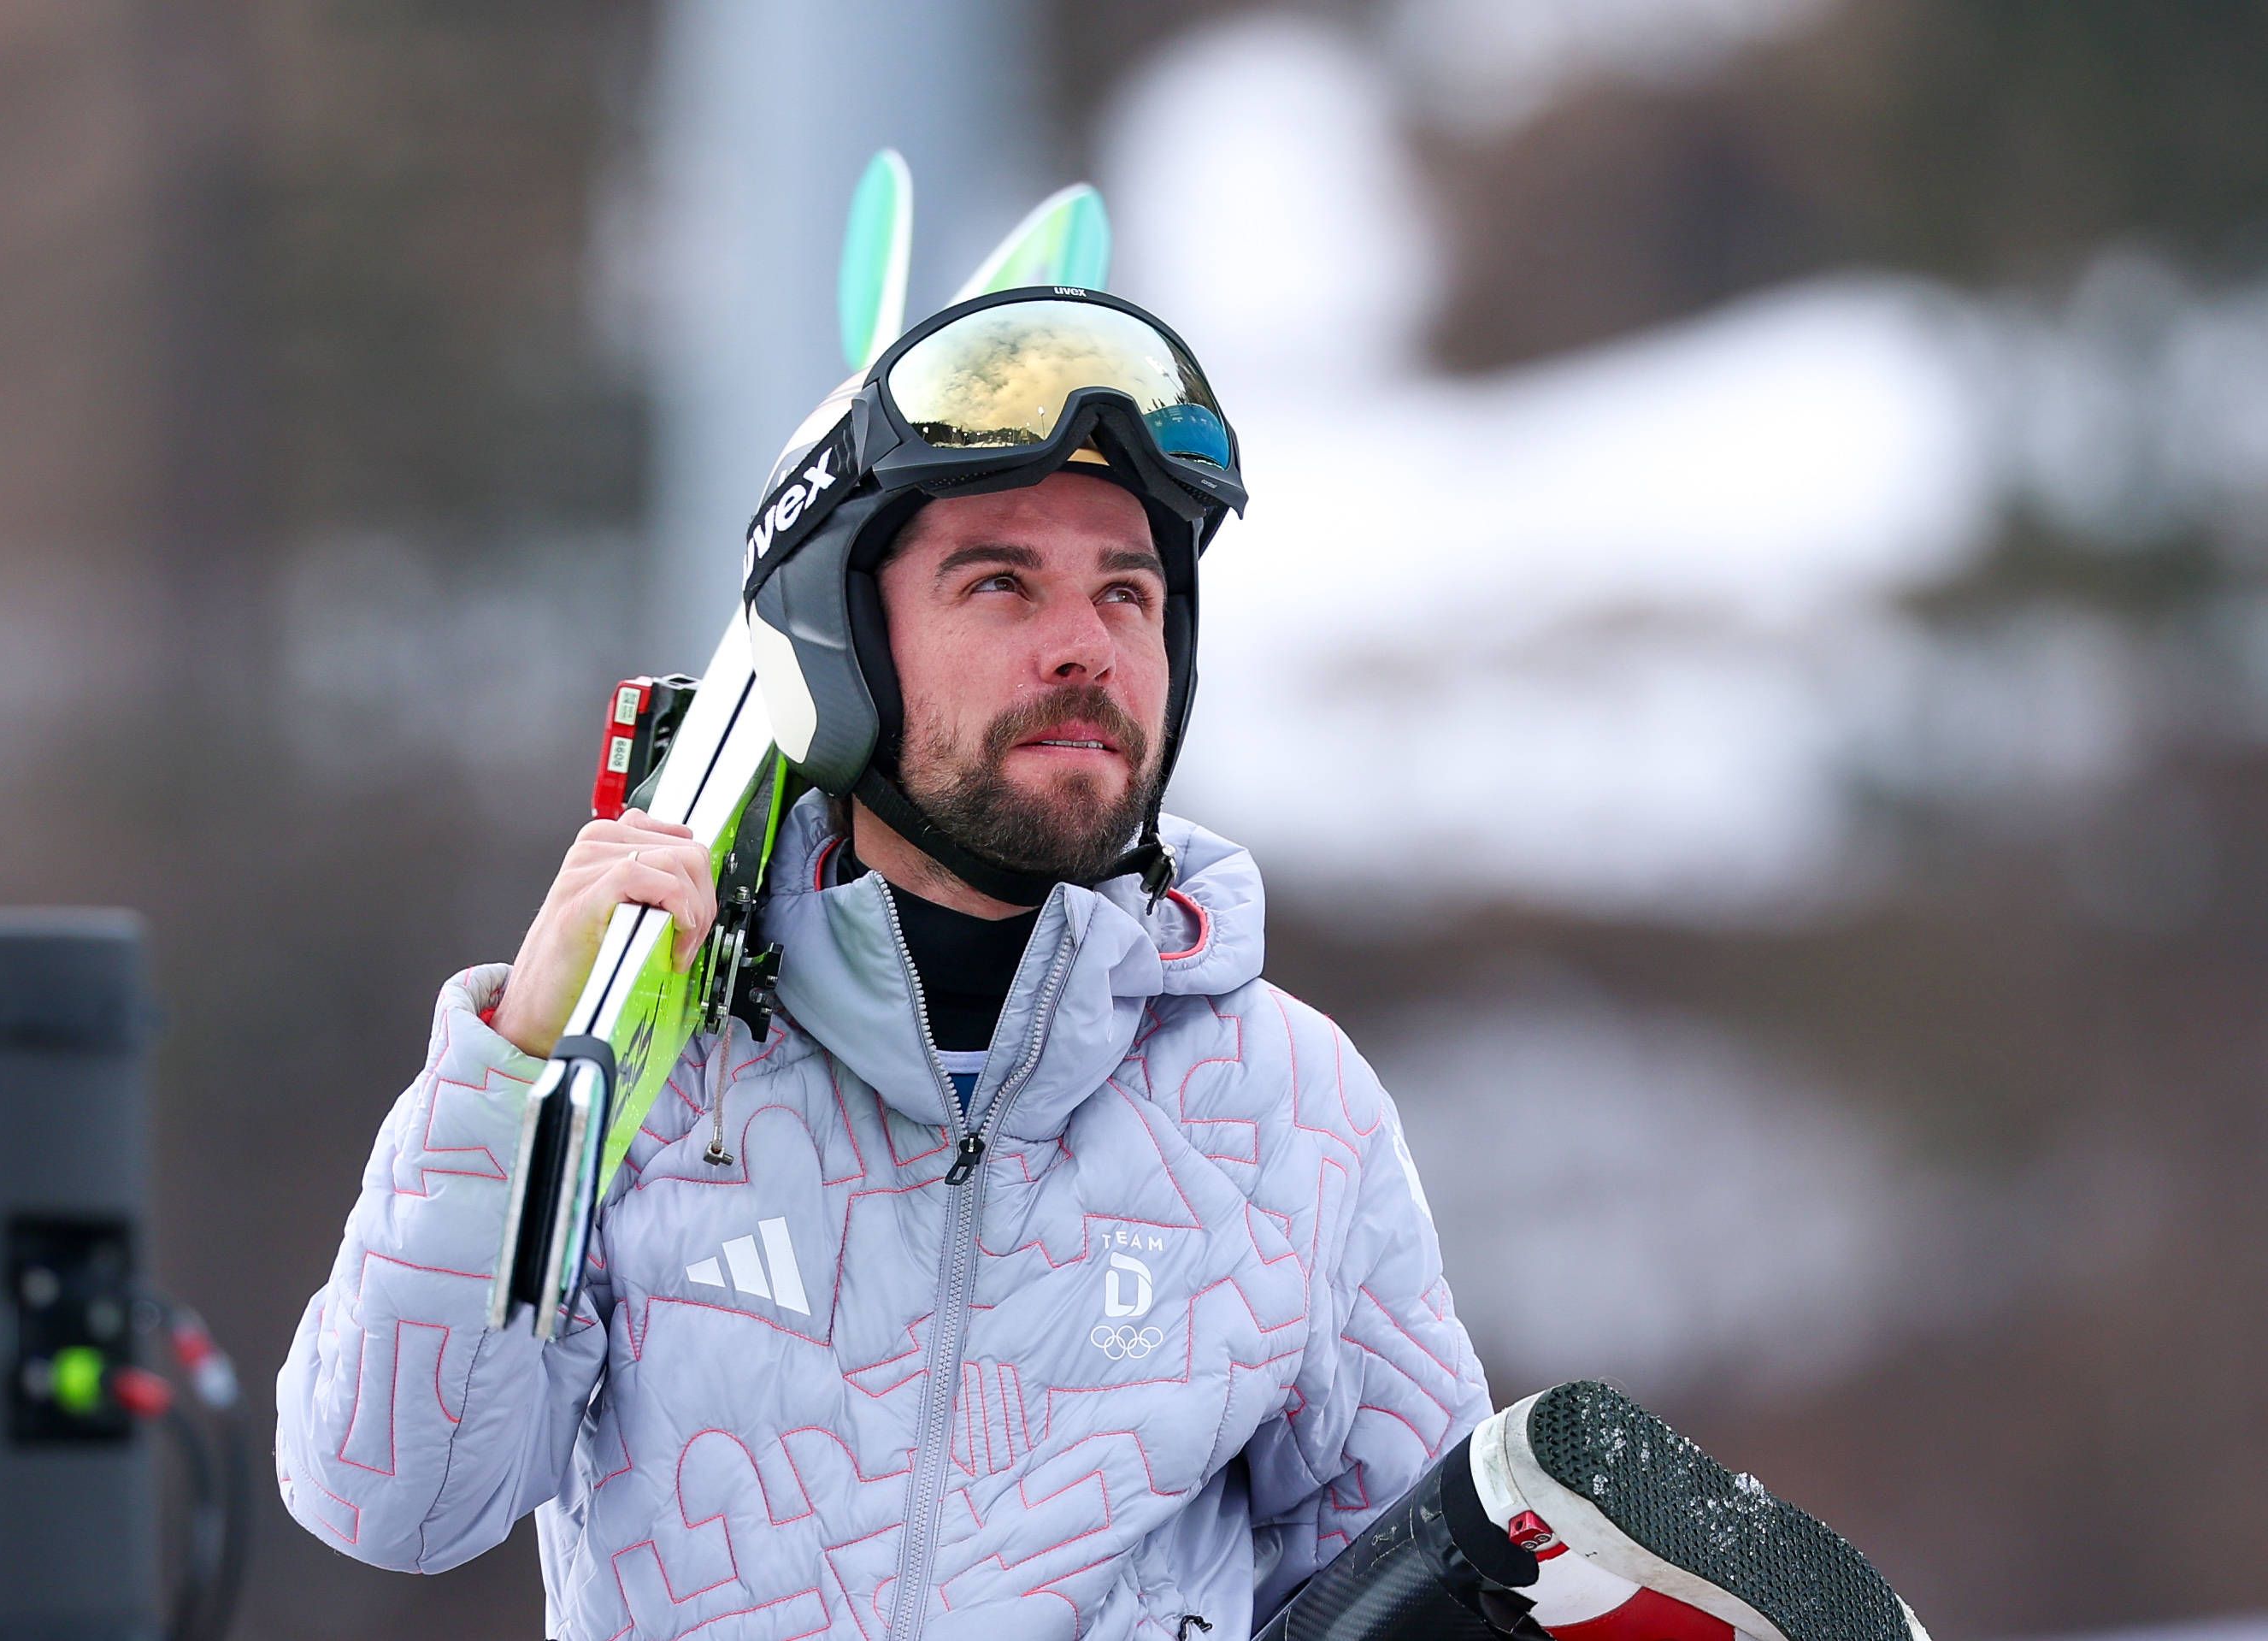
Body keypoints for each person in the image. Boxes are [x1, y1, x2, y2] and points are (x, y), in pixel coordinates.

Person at [275, 289, 1920, 1641]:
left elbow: (1375, 1590)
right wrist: (515, 1071)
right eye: (1003, 584)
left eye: (1128, 591)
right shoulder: (651, 1058)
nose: (1087, 644)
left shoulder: (1288, 1108)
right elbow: (390, 1496)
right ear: (841, 647)